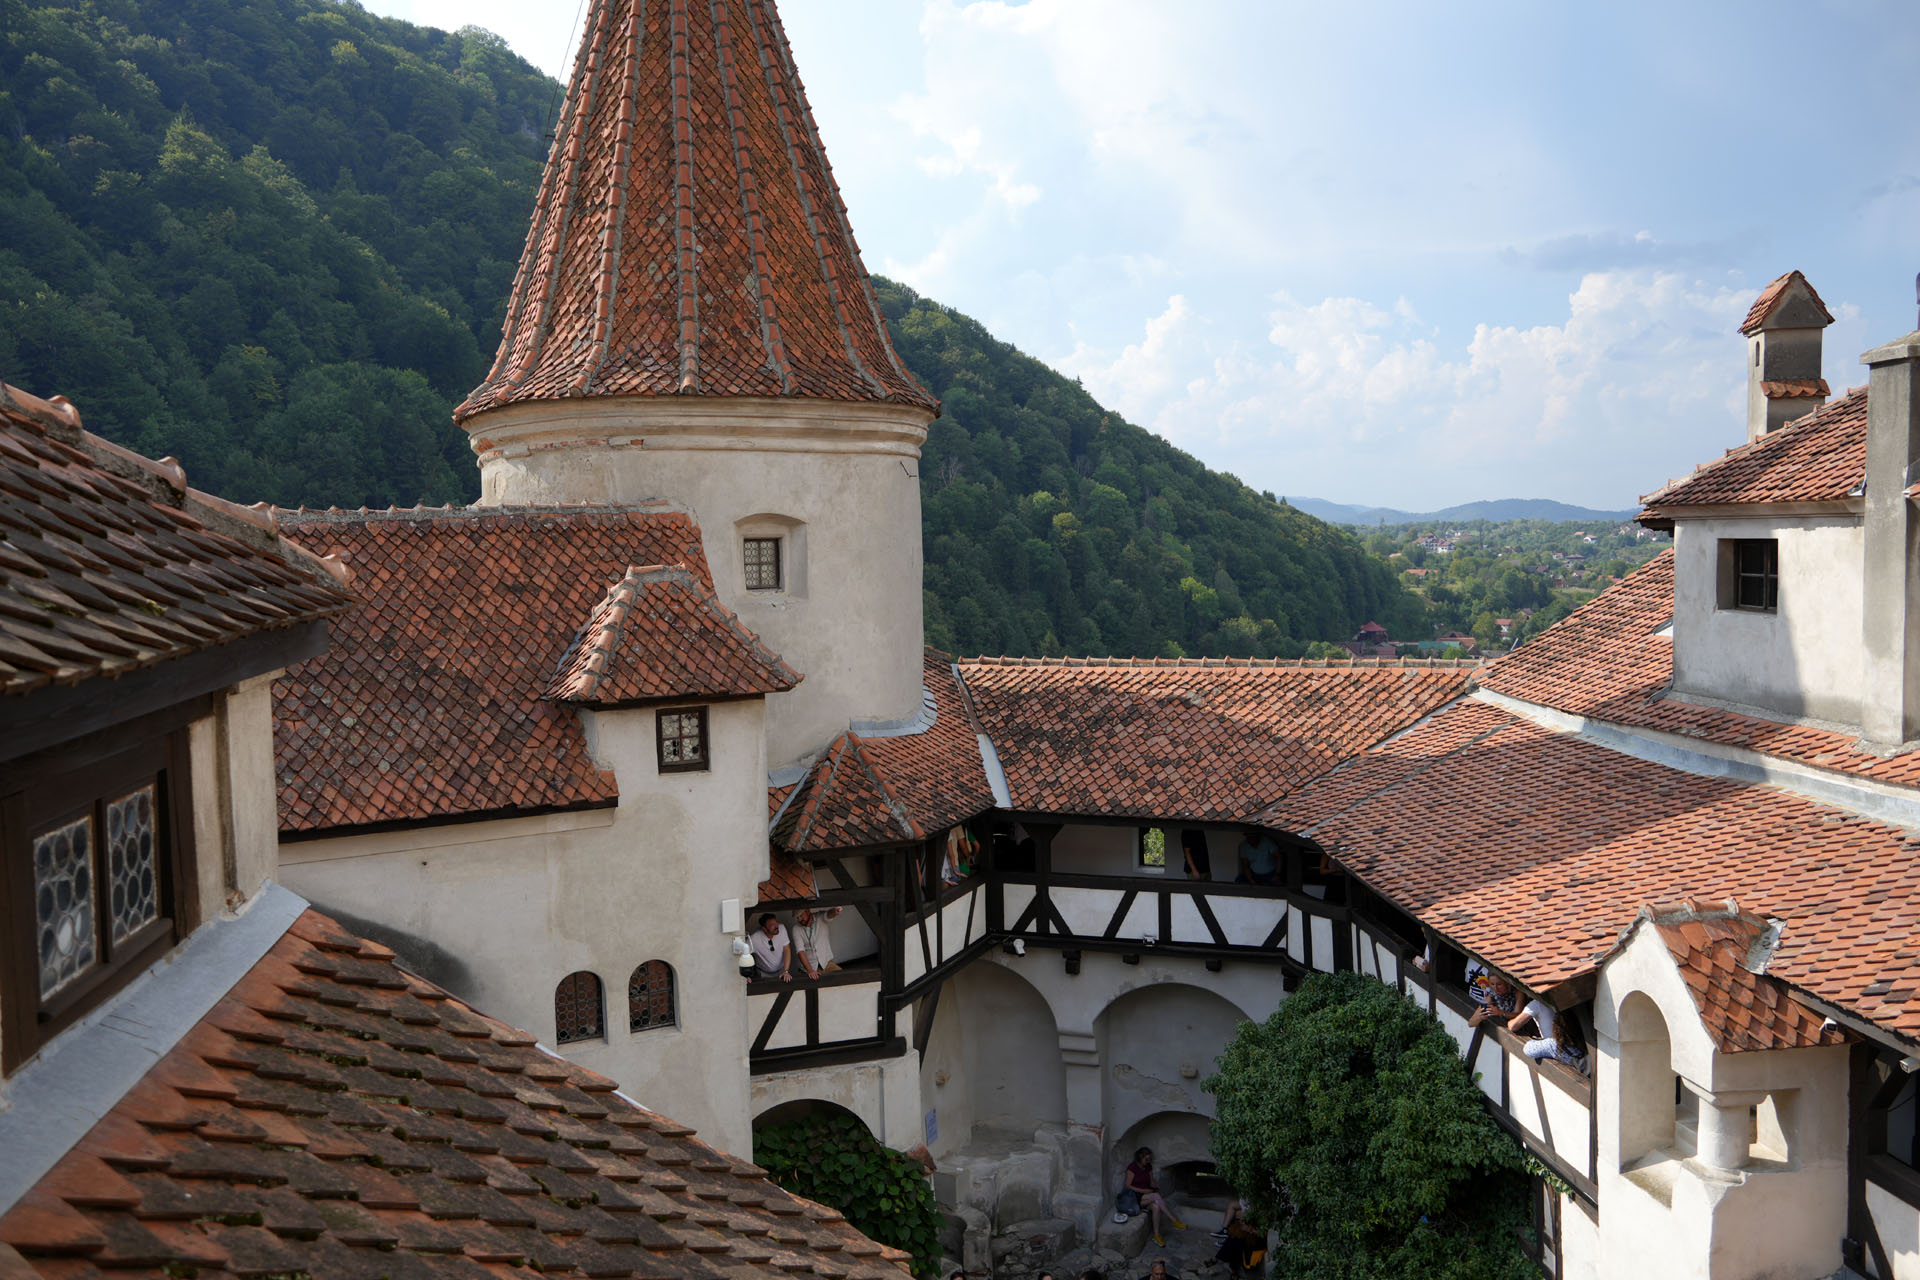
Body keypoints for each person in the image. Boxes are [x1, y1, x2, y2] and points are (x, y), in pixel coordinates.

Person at [1122, 1147, 1186, 1247]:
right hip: (1134, 1198)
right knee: (1155, 1196)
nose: (1148, 1161)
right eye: (1146, 1159)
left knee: (1156, 1207)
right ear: (1140, 1157)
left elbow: (1151, 1181)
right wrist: (1144, 1191)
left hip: (1146, 1196)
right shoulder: (1132, 1167)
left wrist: (1156, 1185)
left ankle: (1156, 1235)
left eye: (1149, 1159)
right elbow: (1127, 1186)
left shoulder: (1148, 1167)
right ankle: (1174, 1220)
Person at [792, 905, 842, 978]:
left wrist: (835, 911)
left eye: (801, 915)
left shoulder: (820, 917)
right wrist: (810, 970)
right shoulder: (796, 929)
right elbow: (800, 951)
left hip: (827, 964)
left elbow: (828, 915)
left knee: (843, 978)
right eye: (797, 917)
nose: (799, 919)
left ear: (808, 911)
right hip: (809, 967)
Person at [749, 912, 793, 982]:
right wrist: (746, 975)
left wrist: (786, 971)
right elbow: (744, 955)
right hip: (762, 974)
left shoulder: (782, 928)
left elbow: (787, 949)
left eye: (776, 923)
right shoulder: (754, 938)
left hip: (782, 971)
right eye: (772, 925)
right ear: (764, 929)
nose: (776, 926)